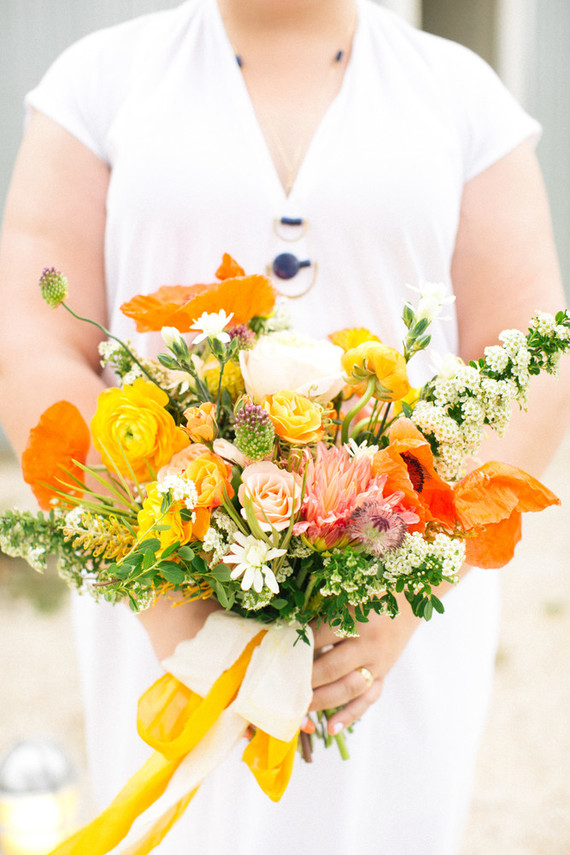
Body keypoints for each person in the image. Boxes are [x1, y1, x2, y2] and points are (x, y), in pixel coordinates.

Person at [0, 0, 568, 852]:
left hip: (391, 608)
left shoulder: (460, 96)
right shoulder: (100, 82)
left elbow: (530, 357)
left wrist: (403, 587)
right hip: (160, 587)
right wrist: (165, 584)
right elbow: (35, 339)